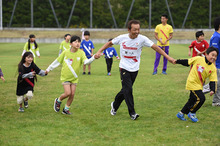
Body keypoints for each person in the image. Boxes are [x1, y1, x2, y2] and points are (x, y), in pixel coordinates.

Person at [96, 20, 175, 120]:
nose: (137, 31)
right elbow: (109, 43)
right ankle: (132, 113)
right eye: (135, 29)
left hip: (135, 69)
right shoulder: (122, 38)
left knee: (125, 90)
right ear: (129, 29)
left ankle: (114, 105)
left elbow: (156, 47)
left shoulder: (142, 39)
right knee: (128, 90)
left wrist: (168, 57)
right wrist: (99, 51)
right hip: (124, 67)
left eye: (138, 29)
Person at [46, 35, 99, 115]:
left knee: (72, 94)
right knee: (67, 93)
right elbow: (57, 61)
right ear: (71, 44)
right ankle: (58, 100)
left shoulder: (81, 53)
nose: (77, 44)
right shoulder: (65, 52)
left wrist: (94, 57)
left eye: (79, 42)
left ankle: (66, 109)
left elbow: (86, 62)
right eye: (75, 42)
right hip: (65, 76)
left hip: (74, 77)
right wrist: (48, 69)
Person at [176, 46, 218, 122]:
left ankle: (181, 113)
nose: (214, 57)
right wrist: (177, 61)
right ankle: (192, 113)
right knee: (201, 98)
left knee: (192, 100)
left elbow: (213, 80)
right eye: (212, 55)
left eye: (215, 56)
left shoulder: (212, 68)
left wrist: (212, 90)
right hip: (192, 82)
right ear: (206, 54)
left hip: (199, 85)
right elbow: (187, 62)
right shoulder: (198, 59)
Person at [209, 17, 220, 107]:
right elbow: (213, 53)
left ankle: (217, 101)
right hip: (217, 64)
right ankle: (197, 92)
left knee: (218, 83)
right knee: (217, 83)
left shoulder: (217, 35)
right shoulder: (216, 37)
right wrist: (214, 66)